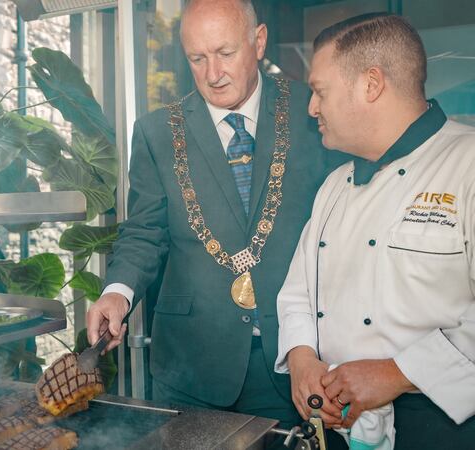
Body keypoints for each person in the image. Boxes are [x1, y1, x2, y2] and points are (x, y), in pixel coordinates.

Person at [86, 0, 345, 428]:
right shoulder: (156, 132)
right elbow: (145, 231)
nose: (213, 74)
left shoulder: (312, 111)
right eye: (197, 58)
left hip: (296, 362)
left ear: (258, 42)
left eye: (225, 53)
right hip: (191, 365)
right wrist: (117, 292)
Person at [276, 13, 475, 449]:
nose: (312, 108)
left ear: (371, 84)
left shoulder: (468, 164)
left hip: (444, 427)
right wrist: (302, 359)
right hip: (341, 428)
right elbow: (298, 294)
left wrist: (398, 373)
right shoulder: (334, 185)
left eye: (320, 91)